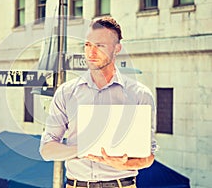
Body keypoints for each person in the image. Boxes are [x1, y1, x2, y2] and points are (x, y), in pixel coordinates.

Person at [39, 16, 157, 188]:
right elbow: (47, 150)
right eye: (87, 45)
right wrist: (84, 149)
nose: (91, 53)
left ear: (117, 48)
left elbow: (148, 157)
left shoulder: (139, 95)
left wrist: (122, 164)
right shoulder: (66, 93)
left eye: (99, 46)